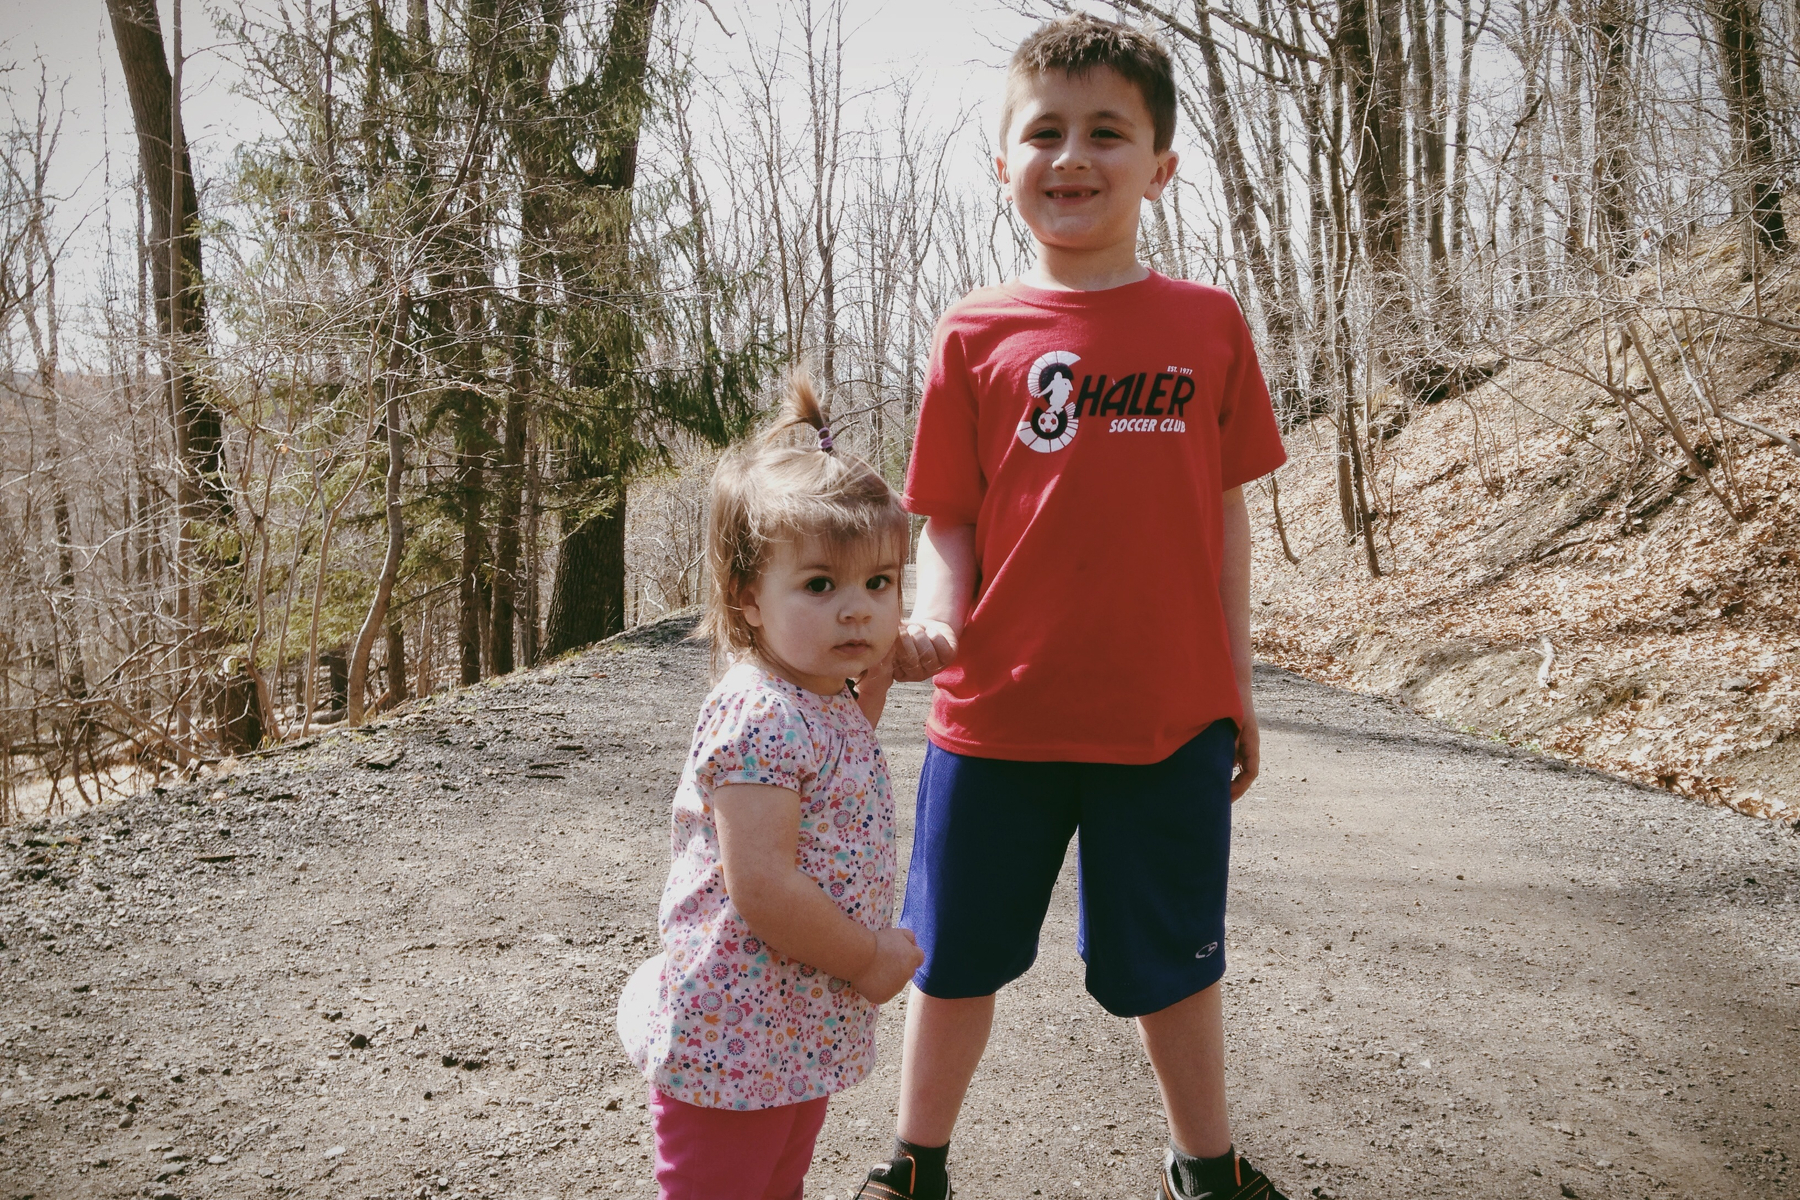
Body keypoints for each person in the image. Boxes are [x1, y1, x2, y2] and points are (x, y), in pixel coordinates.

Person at [853, 14, 1291, 1200]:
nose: (1072, 156)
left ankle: (1209, 1166)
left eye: (1108, 131)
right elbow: (946, 515)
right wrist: (936, 624)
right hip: (994, 717)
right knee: (953, 960)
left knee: (1177, 965)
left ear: (1161, 166)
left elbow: (1225, 520)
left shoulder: (1207, 325)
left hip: (1166, 719)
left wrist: (1236, 691)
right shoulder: (974, 332)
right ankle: (914, 1164)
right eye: (1043, 132)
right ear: (1005, 164)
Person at [616, 375, 925, 1200]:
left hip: (789, 1028)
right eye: (821, 586)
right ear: (749, 597)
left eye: (880, 584)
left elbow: (853, 728)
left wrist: (899, 652)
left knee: (776, 1185)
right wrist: (869, 958)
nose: (857, 612)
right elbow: (761, 885)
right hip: (735, 1030)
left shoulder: (824, 691)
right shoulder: (757, 714)